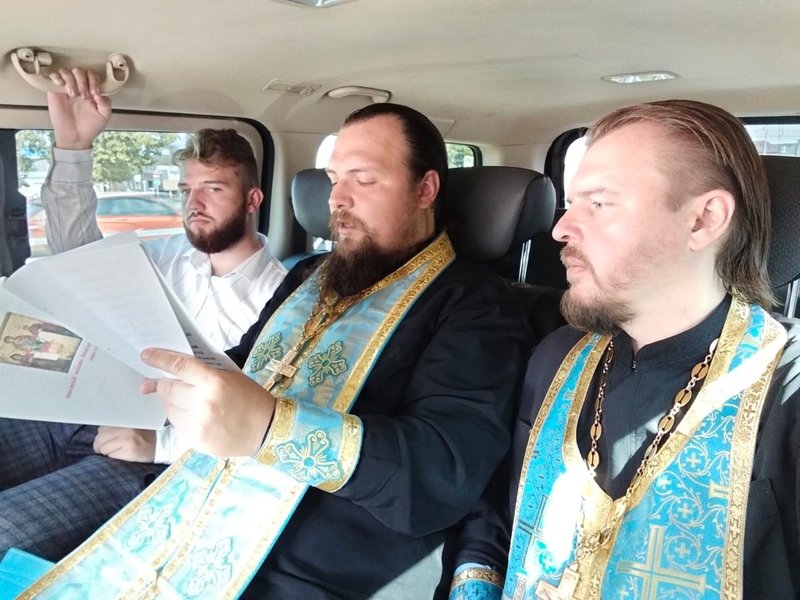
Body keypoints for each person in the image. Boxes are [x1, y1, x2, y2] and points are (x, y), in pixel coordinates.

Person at [16, 102, 533, 599]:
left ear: (426, 189)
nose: (337, 199)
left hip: (308, 564)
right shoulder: (311, 275)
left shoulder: (478, 306)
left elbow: (441, 469)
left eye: (363, 179)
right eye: (334, 179)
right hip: (199, 502)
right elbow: (245, 362)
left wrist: (271, 426)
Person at [448, 99, 800, 600]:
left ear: (703, 220)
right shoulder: (556, 357)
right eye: (571, 202)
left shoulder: (786, 392)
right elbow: (500, 514)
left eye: (599, 203)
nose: (560, 229)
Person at [0, 67, 286, 563]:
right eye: (186, 190)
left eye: (214, 189)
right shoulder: (167, 254)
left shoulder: (280, 298)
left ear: (252, 200)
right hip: (78, 411)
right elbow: (79, 259)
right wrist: (73, 148)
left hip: (156, 456)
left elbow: (266, 424)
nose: (194, 204)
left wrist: (159, 445)